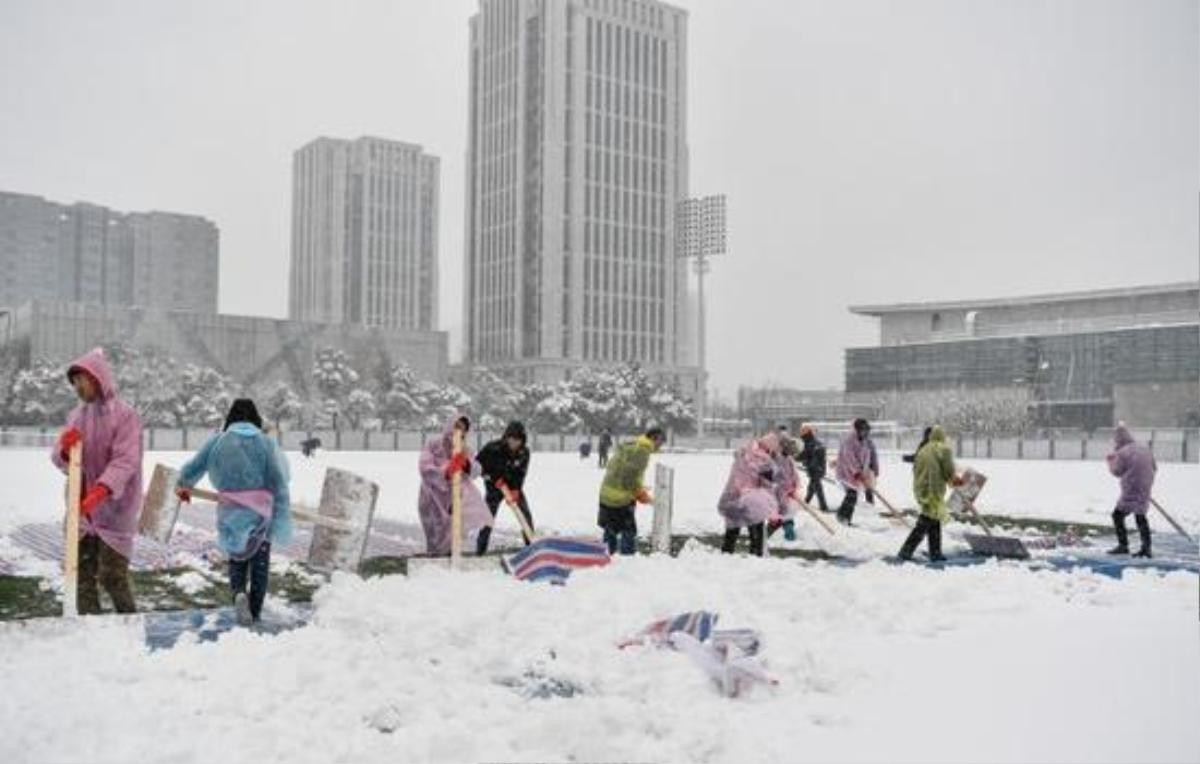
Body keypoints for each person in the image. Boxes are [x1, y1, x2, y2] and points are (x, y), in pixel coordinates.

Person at [176, 399, 291, 624]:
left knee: (237, 560)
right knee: (260, 565)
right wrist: (281, 517)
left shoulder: (218, 442)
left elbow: (193, 468)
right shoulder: (266, 444)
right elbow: (279, 481)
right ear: (256, 419)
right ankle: (255, 613)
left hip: (230, 511)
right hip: (261, 514)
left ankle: (239, 593)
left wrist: (184, 485)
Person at [50, 348, 143, 615]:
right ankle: (91, 632)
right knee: (81, 578)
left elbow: (126, 460)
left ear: (98, 378)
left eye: (83, 380)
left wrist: (101, 491)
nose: (78, 387)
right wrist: (64, 451)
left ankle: (130, 624)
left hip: (115, 508)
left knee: (112, 577)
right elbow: (59, 459)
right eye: (75, 382)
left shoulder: (125, 416)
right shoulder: (76, 417)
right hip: (82, 511)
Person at [417, 414, 493, 555]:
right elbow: (424, 467)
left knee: (453, 531)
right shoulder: (433, 444)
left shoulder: (466, 450)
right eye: (457, 426)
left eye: (463, 429)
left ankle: (452, 558)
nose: (459, 432)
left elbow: (476, 470)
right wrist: (446, 471)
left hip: (454, 497)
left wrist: (466, 464)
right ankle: (435, 560)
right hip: (432, 497)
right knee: (435, 534)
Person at [597, 426, 666, 555]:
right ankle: (627, 562)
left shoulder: (632, 445)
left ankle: (607, 558)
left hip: (606, 494)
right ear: (654, 438)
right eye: (660, 442)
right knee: (628, 530)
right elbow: (629, 477)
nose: (660, 447)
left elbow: (623, 471)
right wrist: (642, 495)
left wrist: (639, 486)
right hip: (620, 498)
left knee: (610, 529)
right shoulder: (643, 451)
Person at [897, 425, 961, 562]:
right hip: (934, 489)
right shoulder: (944, 449)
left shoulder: (923, 449)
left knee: (934, 519)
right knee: (926, 521)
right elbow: (949, 470)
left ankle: (935, 552)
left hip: (921, 487)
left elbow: (916, 468)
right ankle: (906, 551)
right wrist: (955, 480)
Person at [719, 432, 785, 556]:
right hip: (751, 500)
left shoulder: (743, 454)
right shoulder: (765, 462)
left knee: (732, 532)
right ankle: (756, 557)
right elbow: (767, 488)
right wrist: (774, 513)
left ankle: (726, 555)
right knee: (757, 533)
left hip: (733, 496)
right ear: (770, 448)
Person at [474, 421, 534, 555]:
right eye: (511, 438)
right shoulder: (492, 448)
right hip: (494, 488)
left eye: (517, 440)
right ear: (506, 437)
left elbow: (521, 473)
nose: (514, 443)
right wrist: (488, 476)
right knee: (487, 519)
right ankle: (480, 550)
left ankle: (531, 546)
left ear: (522, 440)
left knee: (525, 515)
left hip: (513, 488)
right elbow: (476, 466)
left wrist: (516, 489)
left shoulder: (524, 452)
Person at [1106, 423, 1157, 558]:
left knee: (1117, 515)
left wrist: (1111, 460)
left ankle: (1123, 545)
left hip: (1131, 486)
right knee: (1140, 515)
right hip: (1145, 484)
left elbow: (1117, 471)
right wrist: (1145, 481)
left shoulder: (1122, 453)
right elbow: (1154, 467)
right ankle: (1146, 547)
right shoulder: (1144, 448)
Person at [835, 418, 876, 525]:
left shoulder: (865, 441)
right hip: (846, 472)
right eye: (863, 430)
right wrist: (856, 472)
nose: (865, 433)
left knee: (853, 495)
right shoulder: (849, 441)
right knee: (851, 495)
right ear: (857, 430)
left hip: (857, 474)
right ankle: (842, 516)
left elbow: (867, 457)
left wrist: (865, 471)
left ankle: (844, 517)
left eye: (867, 430)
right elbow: (849, 458)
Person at [797, 424, 829, 512]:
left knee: (817, 487)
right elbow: (806, 454)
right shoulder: (812, 442)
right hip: (817, 468)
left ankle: (823, 506)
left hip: (815, 469)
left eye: (802, 433)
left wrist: (796, 457)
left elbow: (805, 454)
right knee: (812, 487)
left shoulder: (811, 442)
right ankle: (806, 502)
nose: (801, 435)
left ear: (806, 433)